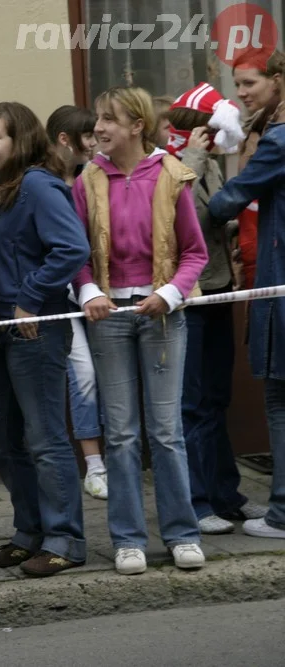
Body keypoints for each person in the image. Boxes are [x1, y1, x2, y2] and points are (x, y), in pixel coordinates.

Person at [73, 86, 208, 575]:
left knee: (167, 431)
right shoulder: (87, 179)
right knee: (122, 433)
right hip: (109, 318)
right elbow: (76, 254)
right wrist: (88, 292)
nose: (100, 128)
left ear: (136, 125)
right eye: (97, 119)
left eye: (109, 119)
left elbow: (196, 252)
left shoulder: (171, 174)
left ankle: (182, 533)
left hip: (163, 316)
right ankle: (128, 539)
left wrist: (170, 293)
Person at [0, 101, 90, 577]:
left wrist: (30, 297)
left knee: (44, 437)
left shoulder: (40, 186)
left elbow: (72, 248)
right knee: (1, 437)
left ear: (19, 140)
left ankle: (66, 540)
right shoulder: (2, 192)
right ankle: (30, 532)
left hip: (36, 329)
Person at [164, 84, 268, 535]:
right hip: (187, 299)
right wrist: (194, 158)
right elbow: (174, 213)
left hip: (217, 292)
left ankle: (226, 495)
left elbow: (216, 217)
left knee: (216, 400)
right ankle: (196, 502)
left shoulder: (208, 168)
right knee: (191, 405)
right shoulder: (173, 163)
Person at [209, 83, 285, 540]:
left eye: (251, 82)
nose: (244, 93)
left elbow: (227, 200)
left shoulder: (278, 141)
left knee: (279, 399)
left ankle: (281, 513)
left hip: (280, 286)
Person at [46, 105, 108, 500]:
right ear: (66, 139)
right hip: (62, 297)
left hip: (100, 291)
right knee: (82, 372)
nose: (95, 141)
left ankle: (116, 458)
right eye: (88, 135)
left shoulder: (97, 177)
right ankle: (94, 466)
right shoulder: (45, 183)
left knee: (108, 373)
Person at [232, 52, 285, 292]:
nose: (241, 92)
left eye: (249, 83)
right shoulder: (255, 127)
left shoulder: (276, 135)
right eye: (237, 84)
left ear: (275, 80)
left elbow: (242, 189)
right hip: (259, 246)